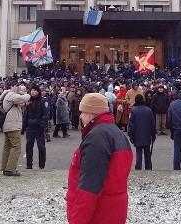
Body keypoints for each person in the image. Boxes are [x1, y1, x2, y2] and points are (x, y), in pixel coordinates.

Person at [66, 93, 132, 224]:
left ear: (91, 114)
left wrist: (77, 220)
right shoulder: (116, 133)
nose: (80, 116)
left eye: (83, 112)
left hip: (98, 213)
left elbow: (89, 186)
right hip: (114, 209)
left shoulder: (97, 138)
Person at [0, 84, 31, 176]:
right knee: (16, 147)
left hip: (8, 125)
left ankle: (5, 167)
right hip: (13, 125)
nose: (18, 89)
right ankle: (10, 169)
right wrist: (27, 94)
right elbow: (24, 99)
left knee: (8, 147)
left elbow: (20, 103)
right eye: (17, 87)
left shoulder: (7, 95)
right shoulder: (11, 94)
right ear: (13, 86)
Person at [127, 94, 156, 170]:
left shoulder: (133, 110)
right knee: (147, 153)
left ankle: (138, 168)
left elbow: (131, 124)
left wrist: (131, 135)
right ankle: (148, 168)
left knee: (138, 153)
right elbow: (152, 124)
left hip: (137, 135)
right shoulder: (148, 110)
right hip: (147, 134)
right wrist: (153, 135)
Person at [23, 85, 48, 169]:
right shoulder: (28, 101)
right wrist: (24, 126)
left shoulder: (42, 101)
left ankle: (42, 165)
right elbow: (25, 115)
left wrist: (41, 124)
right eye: (32, 90)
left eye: (35, 90)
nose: (33, 92)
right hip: (30, 127)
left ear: (38, 92)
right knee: (29, 146)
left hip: (39, 127)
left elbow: (46, 114)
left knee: (41, 147)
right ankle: (29, 165)